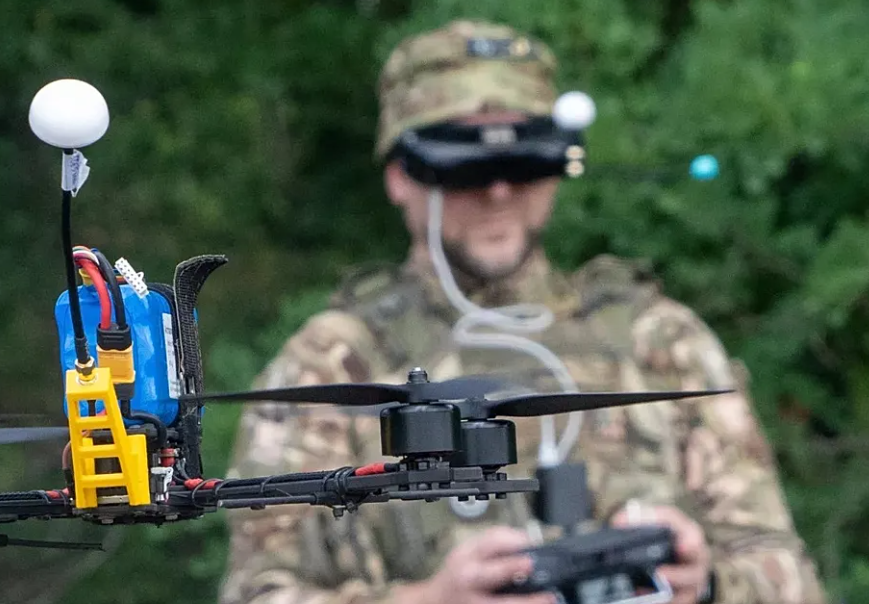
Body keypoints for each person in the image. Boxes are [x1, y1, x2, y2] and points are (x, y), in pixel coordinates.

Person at [215, 19, 827, 604]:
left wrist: (706, 583)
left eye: (522, 162)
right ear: (402, 176)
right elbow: (255, 590)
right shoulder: (331, 365)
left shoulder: (660, 341)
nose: (498, 192)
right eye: (467, 166)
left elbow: (787, 576)